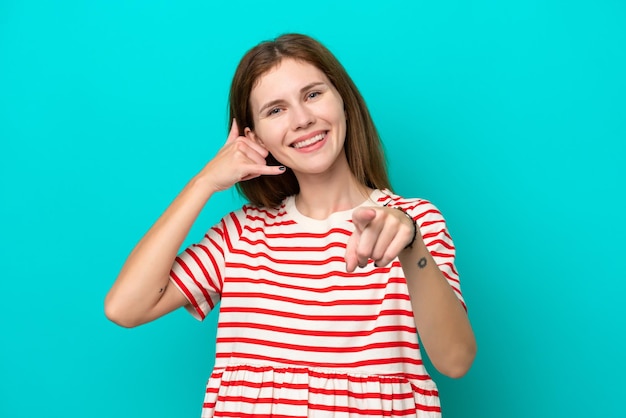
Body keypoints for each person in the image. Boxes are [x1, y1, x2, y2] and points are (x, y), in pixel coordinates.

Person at [105, 33, 476, 417]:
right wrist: (204, 183)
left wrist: (411, 244)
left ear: (344, 102)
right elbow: (125, 307)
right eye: (275, 110)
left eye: (313, 94)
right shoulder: (242, 235)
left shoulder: (412, 223)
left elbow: (455, 361)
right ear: (253, 138)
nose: (302, 120)